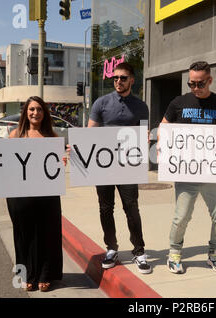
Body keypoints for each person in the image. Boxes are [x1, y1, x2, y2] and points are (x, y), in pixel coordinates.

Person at [0, 96, 67, 292]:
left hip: (46, 194)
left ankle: (45, 275)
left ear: (44, 113)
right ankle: (27, 275)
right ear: (25, 112)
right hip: (19, 195)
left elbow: (54, 166)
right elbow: (5, 162)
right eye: (31, 109)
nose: (35, 113)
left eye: (39, 109)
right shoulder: (15, 135)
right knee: (23, 235)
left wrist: (62, 163)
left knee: (46, 232)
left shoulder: (52, 137)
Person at [161, 61, 216, 274]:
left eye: (200, 84)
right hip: (186, 171)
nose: (195, 88)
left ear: (210, 80)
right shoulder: (178, 102)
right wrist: (161, 139)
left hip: (213, 171)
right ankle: (174, 253)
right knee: (181, 216)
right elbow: (164, 125)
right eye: (191, 83)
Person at [87, 62, 151, 274]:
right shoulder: (101, 103)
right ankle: (111, 248)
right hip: (104, 166)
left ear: (132, 80)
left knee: (131, 208)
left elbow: (143, 136)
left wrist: (147, 143)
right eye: (115, 78)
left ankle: (139, 251)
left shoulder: (141, 106)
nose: (118, 81)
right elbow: (90, 134)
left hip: (128, 166)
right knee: (105, 208)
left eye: (123, 78)